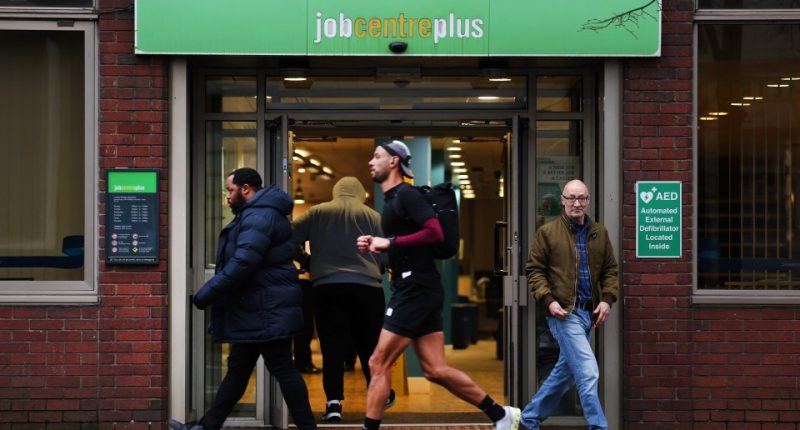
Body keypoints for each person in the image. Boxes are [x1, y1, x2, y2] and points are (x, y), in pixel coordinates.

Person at [356, 140, 521, 430]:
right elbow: (407, 242)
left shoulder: (406, 195)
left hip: (416, 287)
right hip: (419, 286)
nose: (371, 161)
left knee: (377, 363)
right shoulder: (394, 200)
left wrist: (391, 242)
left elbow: (433, 232)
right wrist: (378, 246)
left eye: (377, 156)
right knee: (435, 369)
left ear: (394, 161)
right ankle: (501, 415)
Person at [168, 168, 316, 430]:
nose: (227, 196)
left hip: (265, 309)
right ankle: (207, 426)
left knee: (280, 368)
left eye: (230, 190)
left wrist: (207, 293)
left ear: (246, 189)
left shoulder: (259, 215)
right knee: (239, 370)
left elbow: (244, 261)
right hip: (257, 308)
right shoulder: (259, 213)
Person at [520, 179, 619, 430]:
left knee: (564, 374)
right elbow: (534, 270)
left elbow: (610, 270)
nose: (577, 203)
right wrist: (548, 300)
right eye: (571, 198)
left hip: (589, 313)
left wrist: (607, 300)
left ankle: (528, 418)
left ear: (588, 201)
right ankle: (599, 427)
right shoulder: (548, 232)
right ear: (562, 200)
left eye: (582, 198)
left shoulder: (599, 233)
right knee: (588, 371)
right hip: (564, 314)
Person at [292, 176, 391, 422]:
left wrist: (307, 261)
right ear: (360, 194)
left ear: (336, 191)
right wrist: (379, 267)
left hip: (327, 288)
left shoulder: (317, 213)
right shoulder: (373, 217)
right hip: (367, 289)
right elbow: (388, 251)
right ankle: (378, 399)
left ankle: (333, 404)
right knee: (370, 347)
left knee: (331, 348)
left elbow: (286, 237)